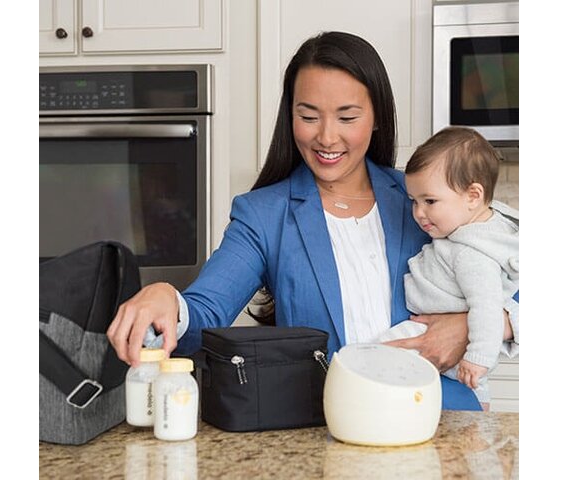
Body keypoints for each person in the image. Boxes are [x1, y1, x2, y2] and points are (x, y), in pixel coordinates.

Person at [107, 31, 519, 411]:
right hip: (326, 430)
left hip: (442, 419)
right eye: (309, 116)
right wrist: (165, 297)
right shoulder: (264, 215)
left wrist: (473, 326)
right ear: (291, 117)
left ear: (376, 117)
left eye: (346, 117)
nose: (326, 137)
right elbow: (204, 313)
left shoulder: (425, 202)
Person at [382, 126, 519, 410]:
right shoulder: (474, 227)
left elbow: (487, 307)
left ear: (473, 196)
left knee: (378, 355)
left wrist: (478, 358)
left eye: (430, 201)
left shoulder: (472, 255)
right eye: (414, 202)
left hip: (442, 339)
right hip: (440, 335)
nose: (419, 213)